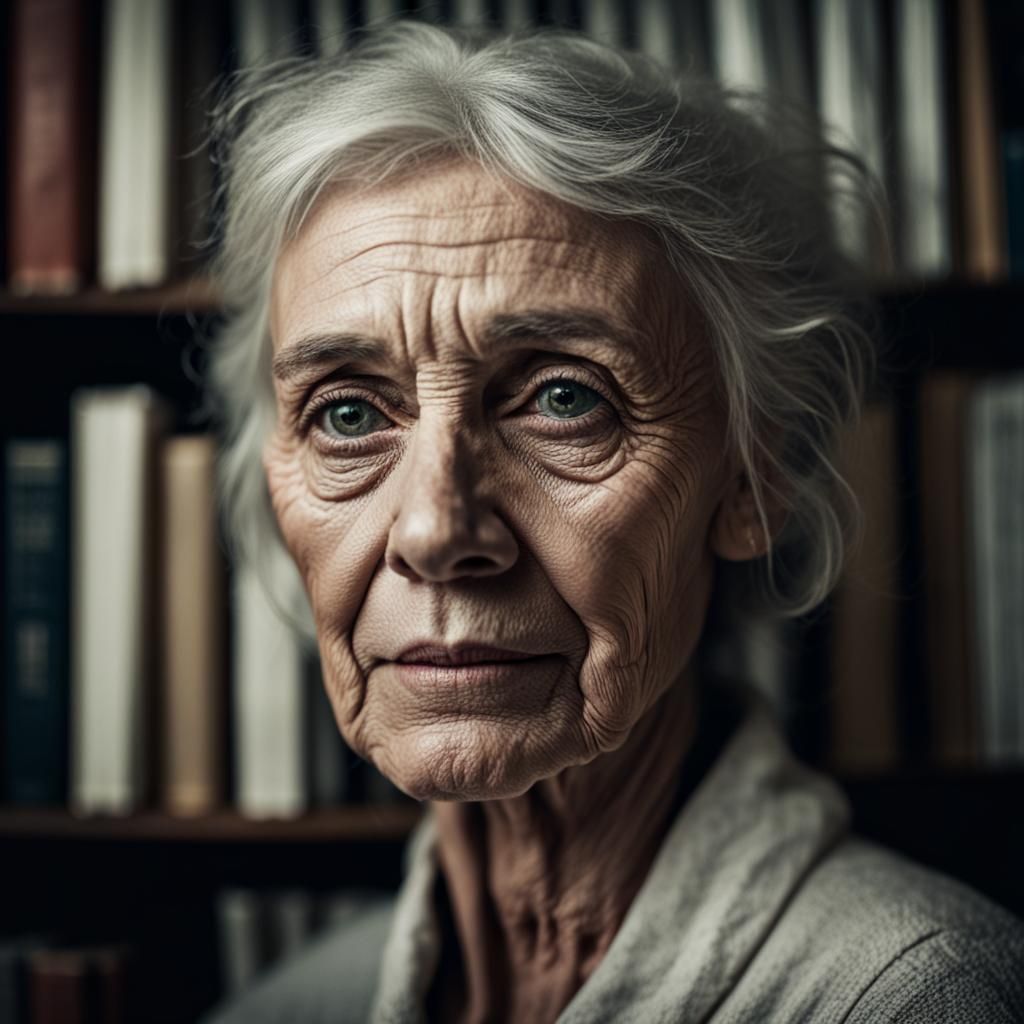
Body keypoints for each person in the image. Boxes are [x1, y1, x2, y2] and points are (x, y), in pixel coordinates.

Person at [200, 21, 1024, 1023]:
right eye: (346, 413)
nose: (434, 529)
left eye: (561, 399)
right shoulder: (280, 1010)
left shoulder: (923, 995)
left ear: (753, 474)